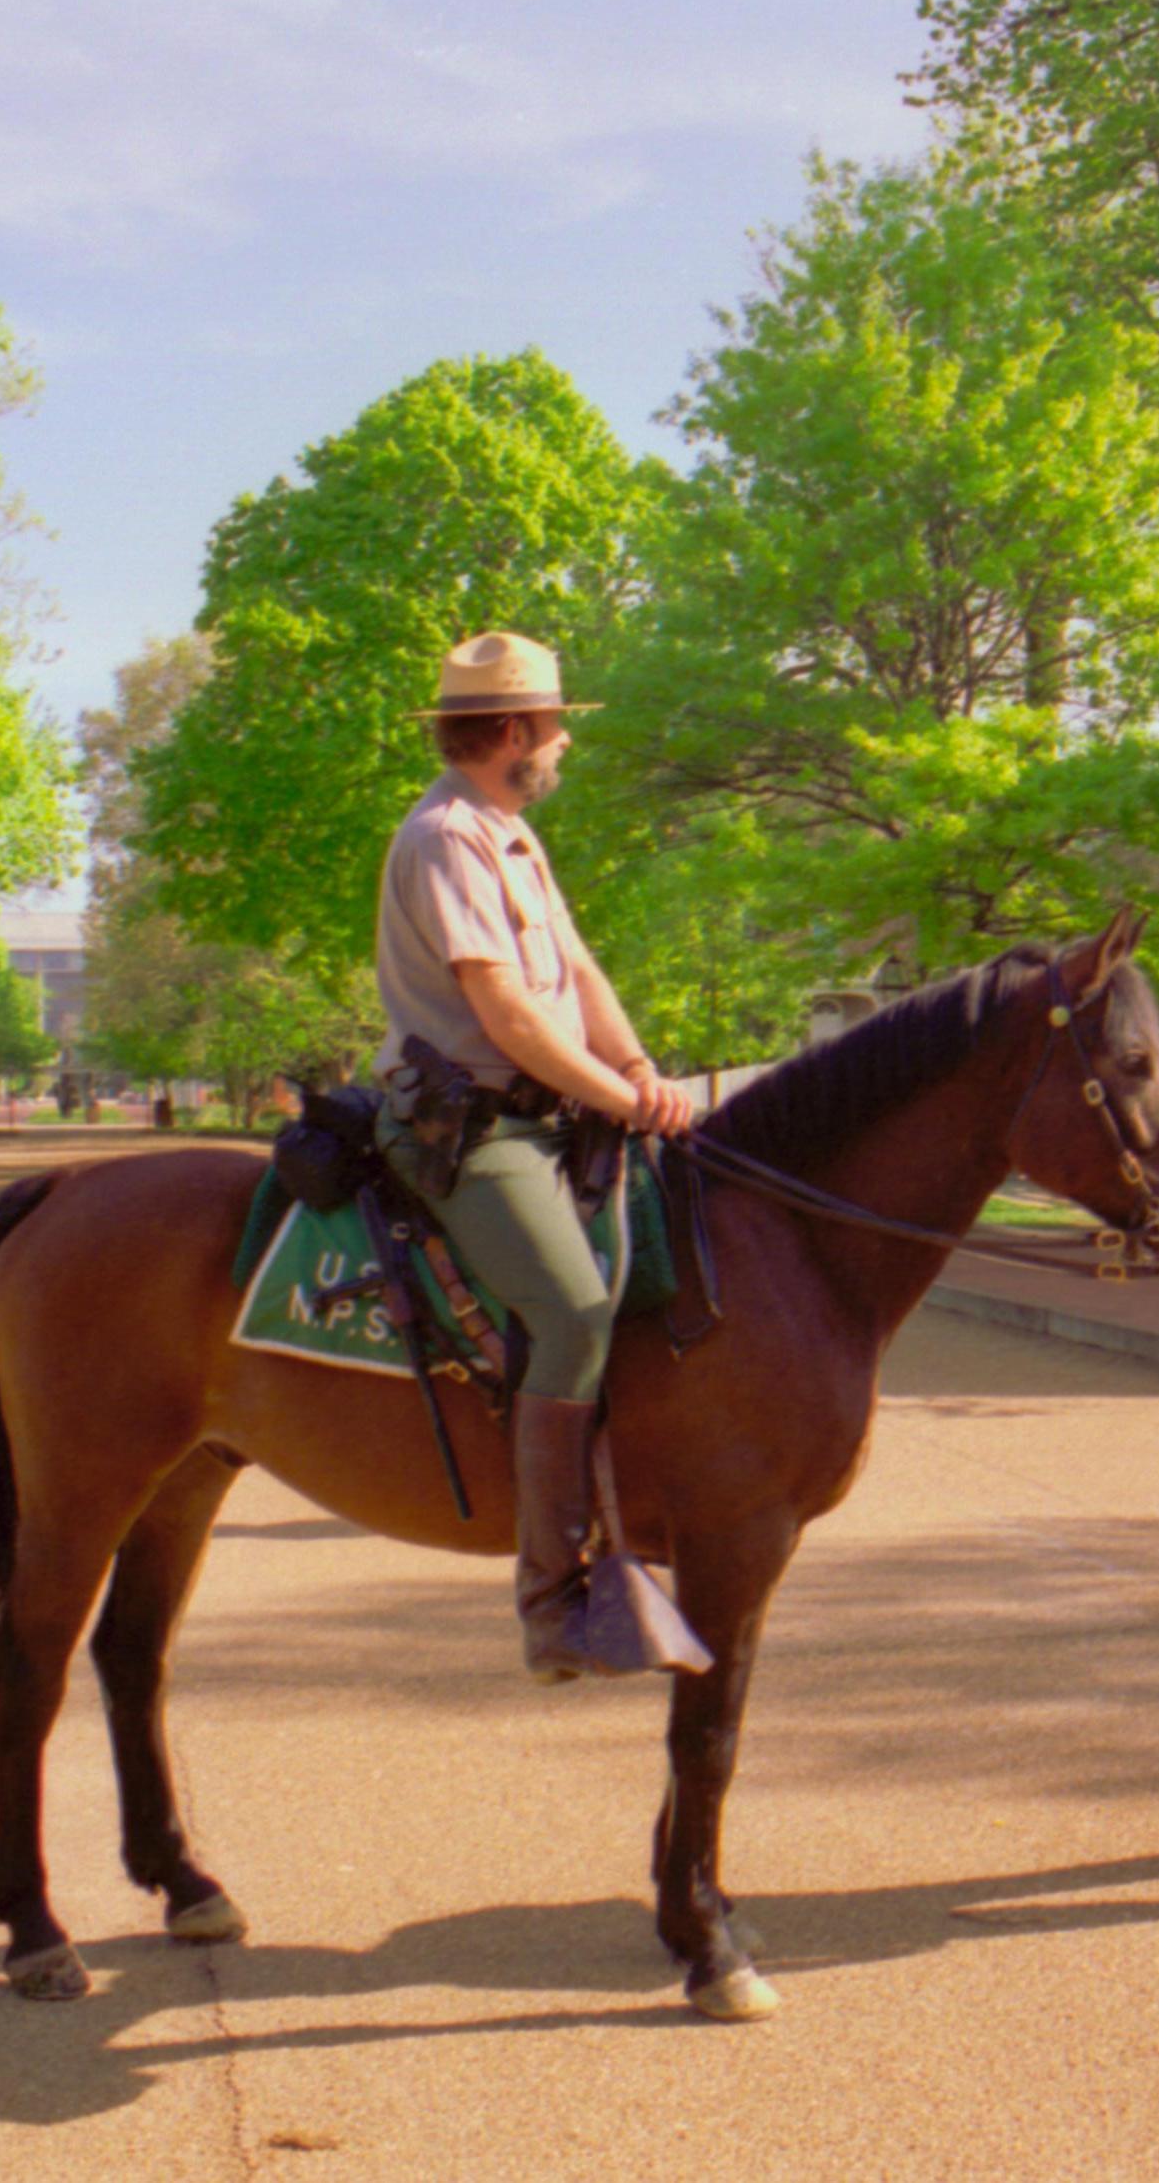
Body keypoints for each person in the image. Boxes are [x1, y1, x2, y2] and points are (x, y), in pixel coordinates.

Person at [372, 631, 693, 1683]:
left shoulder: (512, 834)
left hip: (551, 1115)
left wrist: (640, 1067)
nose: (563, 745)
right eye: (555, 726)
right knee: (574, 1311)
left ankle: (633, 1532)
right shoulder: (444, 837)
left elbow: (579, 972)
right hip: (474, 1128)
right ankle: (552, 1604)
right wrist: (620, 1100)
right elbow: (505, 1012)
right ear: (511, 731)